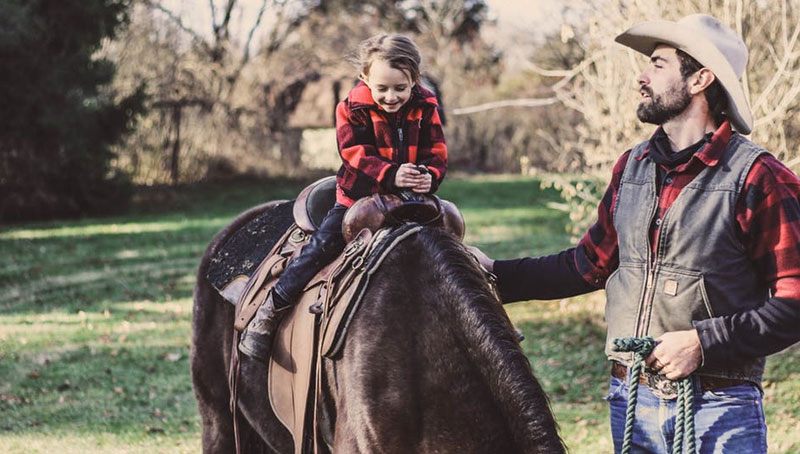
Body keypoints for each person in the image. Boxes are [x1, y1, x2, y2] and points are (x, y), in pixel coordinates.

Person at [470, 14, 800, 453]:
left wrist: (704, 342)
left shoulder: (758, 177)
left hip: (718, 407)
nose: (642, 76)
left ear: (701, 77)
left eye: (658, 64)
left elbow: (793, 304)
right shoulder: (632, 167)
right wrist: (495, 275)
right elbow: (588, 265)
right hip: (632, 400)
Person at [239, 33, 447, 362]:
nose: (391, 97)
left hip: (408, 201)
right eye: (382, 89)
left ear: (414, 81)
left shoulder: (426, 106)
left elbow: (436, 152)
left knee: (450, 244)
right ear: (365, 78)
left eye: (400, 88)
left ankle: (473, 315)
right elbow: (354, 154)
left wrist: (429, 175)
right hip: (359, 198)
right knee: (322, 247)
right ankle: (271, 310)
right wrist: (391, 174)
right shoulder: (351, 108)